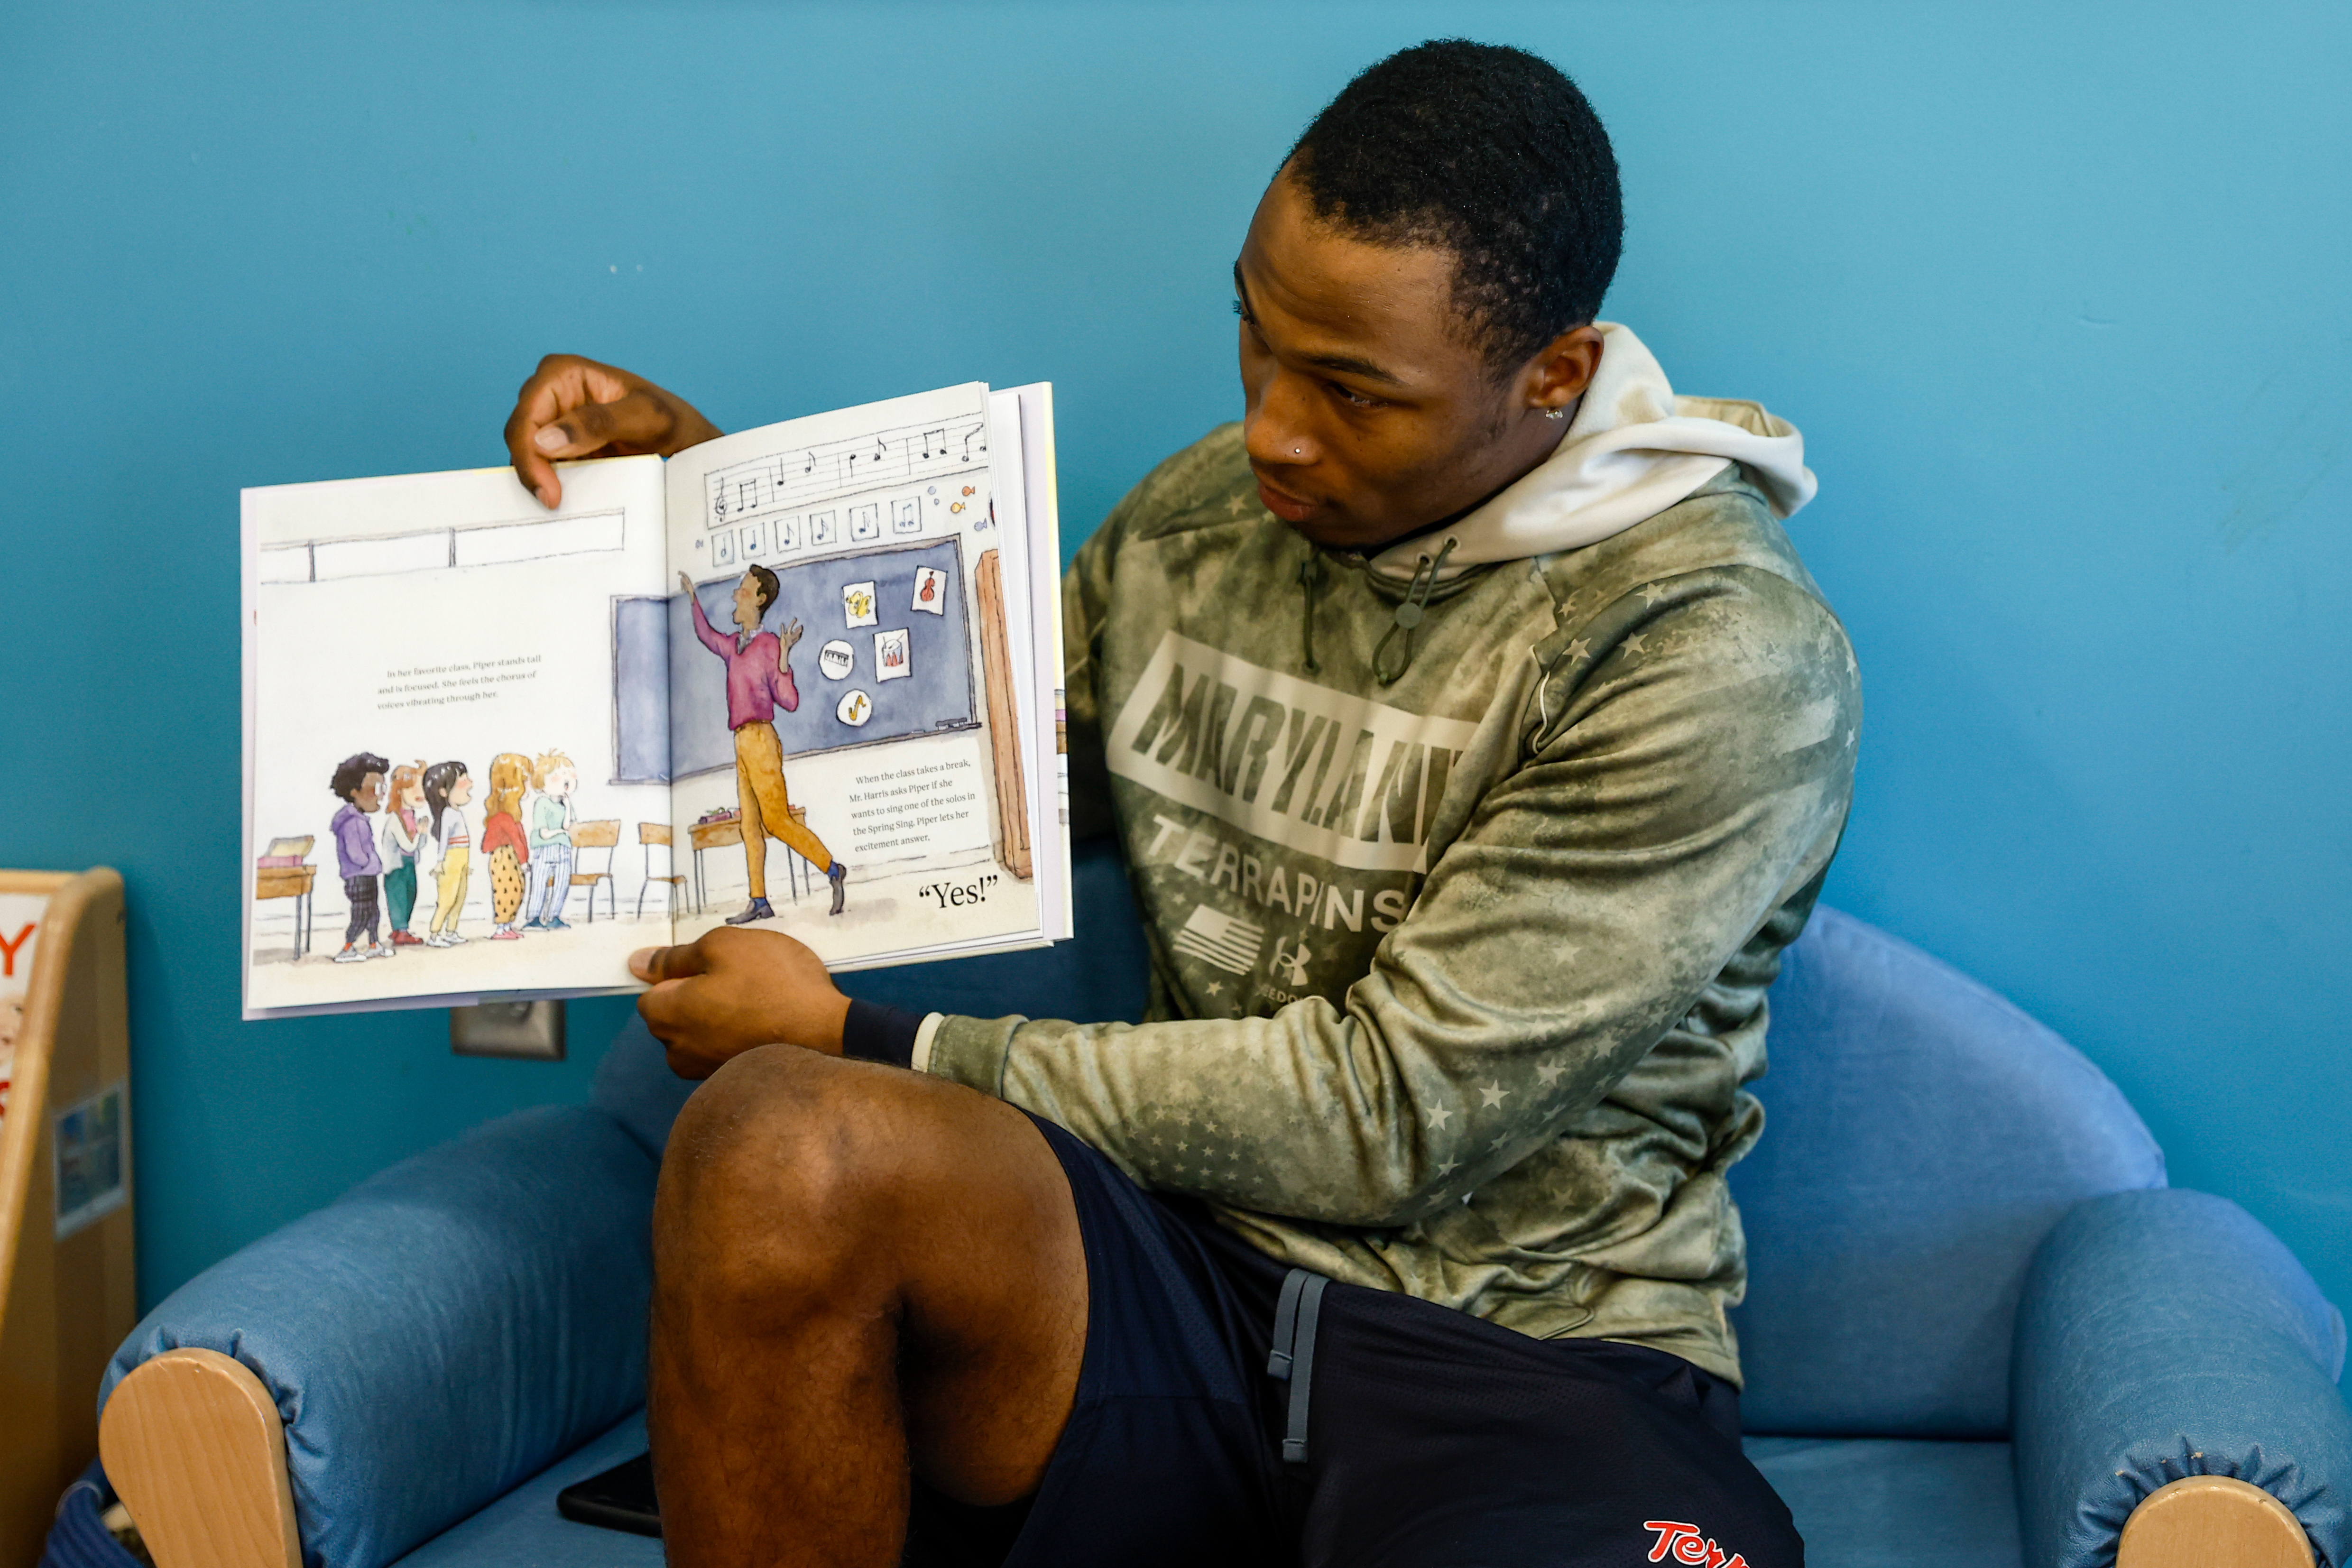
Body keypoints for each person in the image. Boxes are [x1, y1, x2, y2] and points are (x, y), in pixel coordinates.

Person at [507, 41, 1856, 1568]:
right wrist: (708, 510)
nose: (1277, 427)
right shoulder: (1206, 515)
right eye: (1256, 337)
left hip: (1522, 1353)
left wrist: (873, 1038)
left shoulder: (1706, 648)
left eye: (1352, 390)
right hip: (1152, 1276)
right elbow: (949, 796)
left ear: (1551, 377)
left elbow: (1390, 1115)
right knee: (772, 1138)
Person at [678, 564, 850, 921]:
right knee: (749, 826)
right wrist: (693, 598)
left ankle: (832, 868)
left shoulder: (770, 644)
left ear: (759, 599)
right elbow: (706, 635)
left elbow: (789, 701)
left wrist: (785, 656)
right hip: (741, 741)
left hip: (761, 740)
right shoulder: (732, 646)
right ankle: (759, 901)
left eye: (742, 589)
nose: (734, 595)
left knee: (776, 821)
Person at [327, 752, 392, 965]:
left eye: (383, 789)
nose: (381, 795)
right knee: (362, 914)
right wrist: (368, 862)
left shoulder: (360, 819)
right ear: (355, 791)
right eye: (376, 789)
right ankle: (347, 948)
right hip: (359, 876)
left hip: (369, 874)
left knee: (373, 913)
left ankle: (374, 944)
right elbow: (355, 853)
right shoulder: (351, 821)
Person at [523, 749, 579, 932]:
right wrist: (559, 832)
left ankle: (554, 917)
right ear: (542, 782)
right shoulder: (542, 802)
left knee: (562, 884)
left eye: (568, 776)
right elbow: (544, 833)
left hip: (563, 850)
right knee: (539, 883)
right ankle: (535, 919)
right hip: (545, 850)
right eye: (558, 777)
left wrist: (568, 804)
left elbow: (566, 826)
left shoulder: (565, 804)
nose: (565, 781)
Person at [419, 760, 474, 947]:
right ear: (444, 792)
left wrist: (465, 864)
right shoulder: (448, 814)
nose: (470, 784)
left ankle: (451, 931)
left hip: (462, 860)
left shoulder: (457, 812)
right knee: (447, 900)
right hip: (451, 860)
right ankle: (435, 935)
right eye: (463, 781)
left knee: (460, 898)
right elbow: (444, 840)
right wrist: (440, 861)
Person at [481, 752, 532, 941]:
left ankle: (507, 926)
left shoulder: (512, 812)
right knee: (507, 891)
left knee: (517, 889)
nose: (529, 786)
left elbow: (520, 839)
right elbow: (515, 839)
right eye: (525, 780)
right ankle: (501, 928)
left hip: (511, 858)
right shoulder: (504, 815)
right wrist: (524, 861)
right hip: (505, 858)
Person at [379, 760, 428, 947]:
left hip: (409, 863)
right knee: (398, 897)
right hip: (397, 866)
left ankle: (402, 930)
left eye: (421, 788)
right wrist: (420, 835)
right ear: (399, 791)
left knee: (411, 894)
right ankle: (401, 931)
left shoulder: (411, 816)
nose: (420, 793)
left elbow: (418, 846)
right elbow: (408, 845)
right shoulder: (394, 819)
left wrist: (422, 834)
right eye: (412, 788)